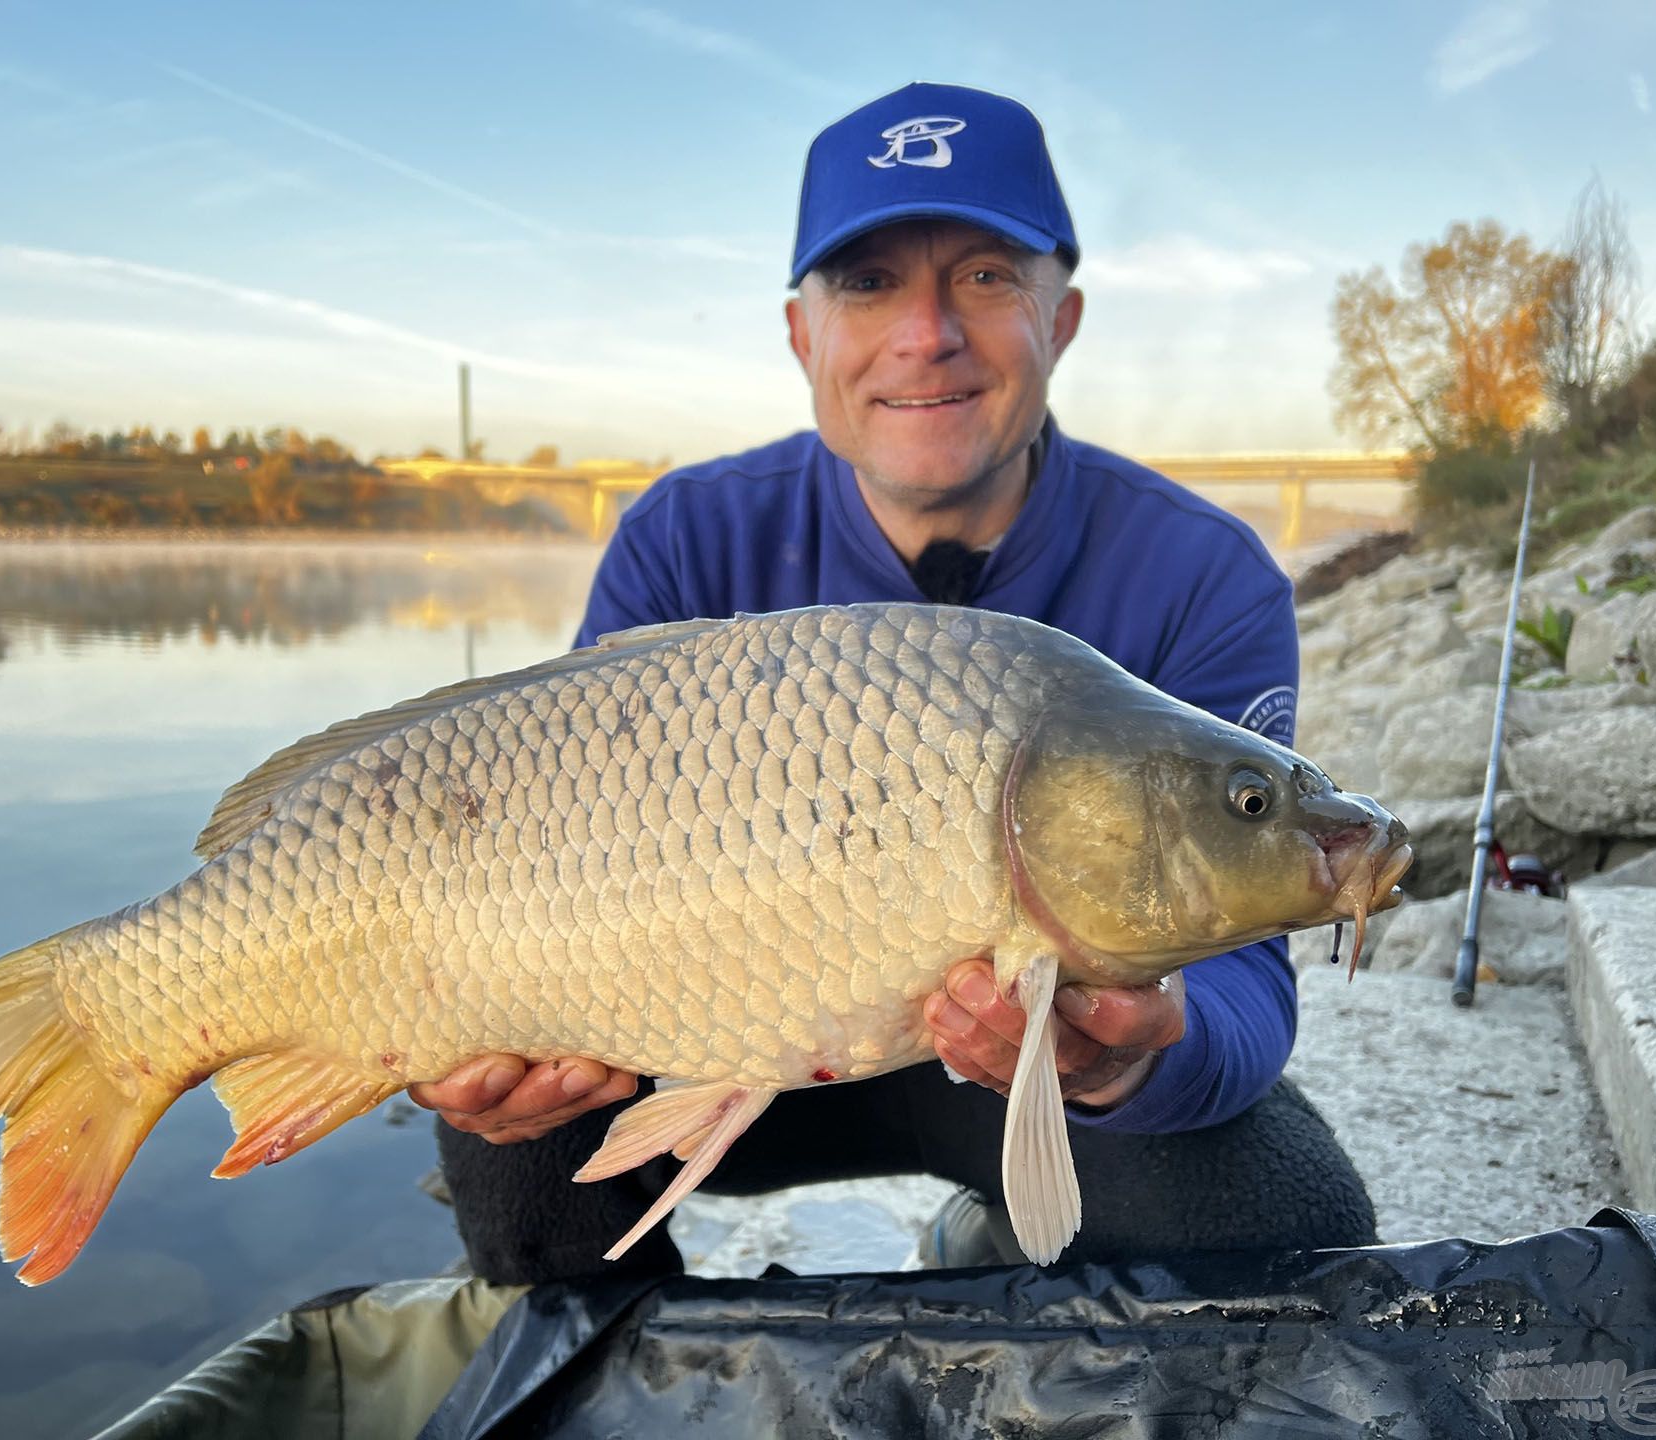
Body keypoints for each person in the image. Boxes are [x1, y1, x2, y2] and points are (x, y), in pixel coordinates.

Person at [410, 82, 1377, 1286]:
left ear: (1061, 318)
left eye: (983, 277)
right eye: (868, 283)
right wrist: (472, 1035)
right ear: (800, 332)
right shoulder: (682, 538)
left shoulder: (1203, 573)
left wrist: (1135, 1055)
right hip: (713, 1039)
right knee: (507, 1142)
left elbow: (1245, 987)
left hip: (1034, 1083)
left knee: (1287, 1214)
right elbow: (540, 847)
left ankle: (1000, 1240)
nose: (927, 334)